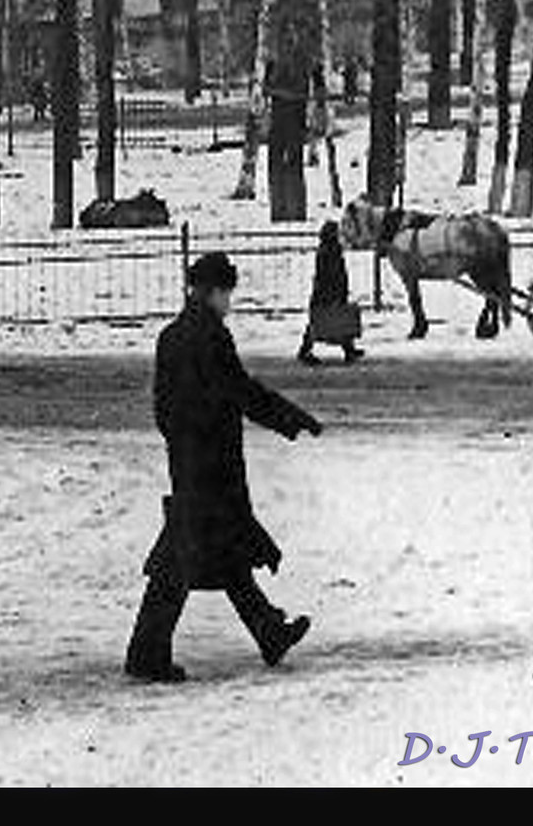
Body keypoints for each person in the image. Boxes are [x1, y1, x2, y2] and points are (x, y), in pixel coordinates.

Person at [126, 251, 322, 683]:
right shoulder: (211, 337)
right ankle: (146, 654)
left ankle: (269, 632)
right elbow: (241, 392)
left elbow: (163, 407)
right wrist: (291, 418)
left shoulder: (171, 336)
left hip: (189, 459)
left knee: (224, 551)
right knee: (182, 557)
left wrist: (181, 442)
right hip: (213, 463)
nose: (228, 301)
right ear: (214, 292)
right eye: (226, 293)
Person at [298, 220, 364, 365]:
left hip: (327, 292)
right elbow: (332, 274)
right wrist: (336, 292)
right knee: (327, 321)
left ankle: (348, 349)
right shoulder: (330, 250)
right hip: (328, 293)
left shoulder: (328, 249)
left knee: (336, 320)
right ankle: (305, 351)